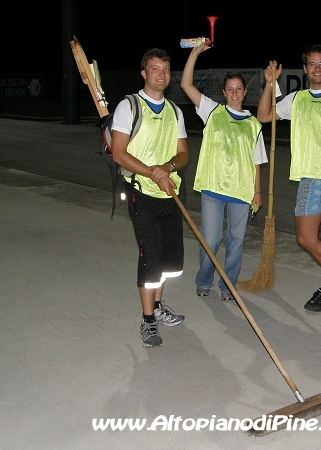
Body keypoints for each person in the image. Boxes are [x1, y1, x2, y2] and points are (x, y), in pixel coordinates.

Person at [257, 44, 321, 315]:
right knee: (305, 238)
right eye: (312, 64)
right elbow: (264, 115)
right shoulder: (296, 99)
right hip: (308, 177)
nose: (317, 68)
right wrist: (270, 84)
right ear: (305, 69)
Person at [109, 48, 188, 347]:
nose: (161, 74)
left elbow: (182, 154)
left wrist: (166, 169)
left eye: (166, 69)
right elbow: (119, 153)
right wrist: (151, 172)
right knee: (151, 258)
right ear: (144, 73)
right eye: (155, 69)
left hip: (170, 192)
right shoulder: (129, 106)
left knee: (168, 261)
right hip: (142, 195)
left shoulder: (174, 111)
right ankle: (148, 321)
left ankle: (158, 305)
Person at [180, 43, 267, 301]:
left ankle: (228, 284)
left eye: (238, 88)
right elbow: (186, 85)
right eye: (229, 89)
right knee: (211, 239)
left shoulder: (254, 124)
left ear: (245, 91)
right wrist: (195, 53)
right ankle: (204, 279)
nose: (234, 93)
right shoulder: (212, 111)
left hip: (241, 191)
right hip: (214, 187)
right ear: (223, 92)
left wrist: (257, 192)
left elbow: (257, 161)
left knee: (236, 242)